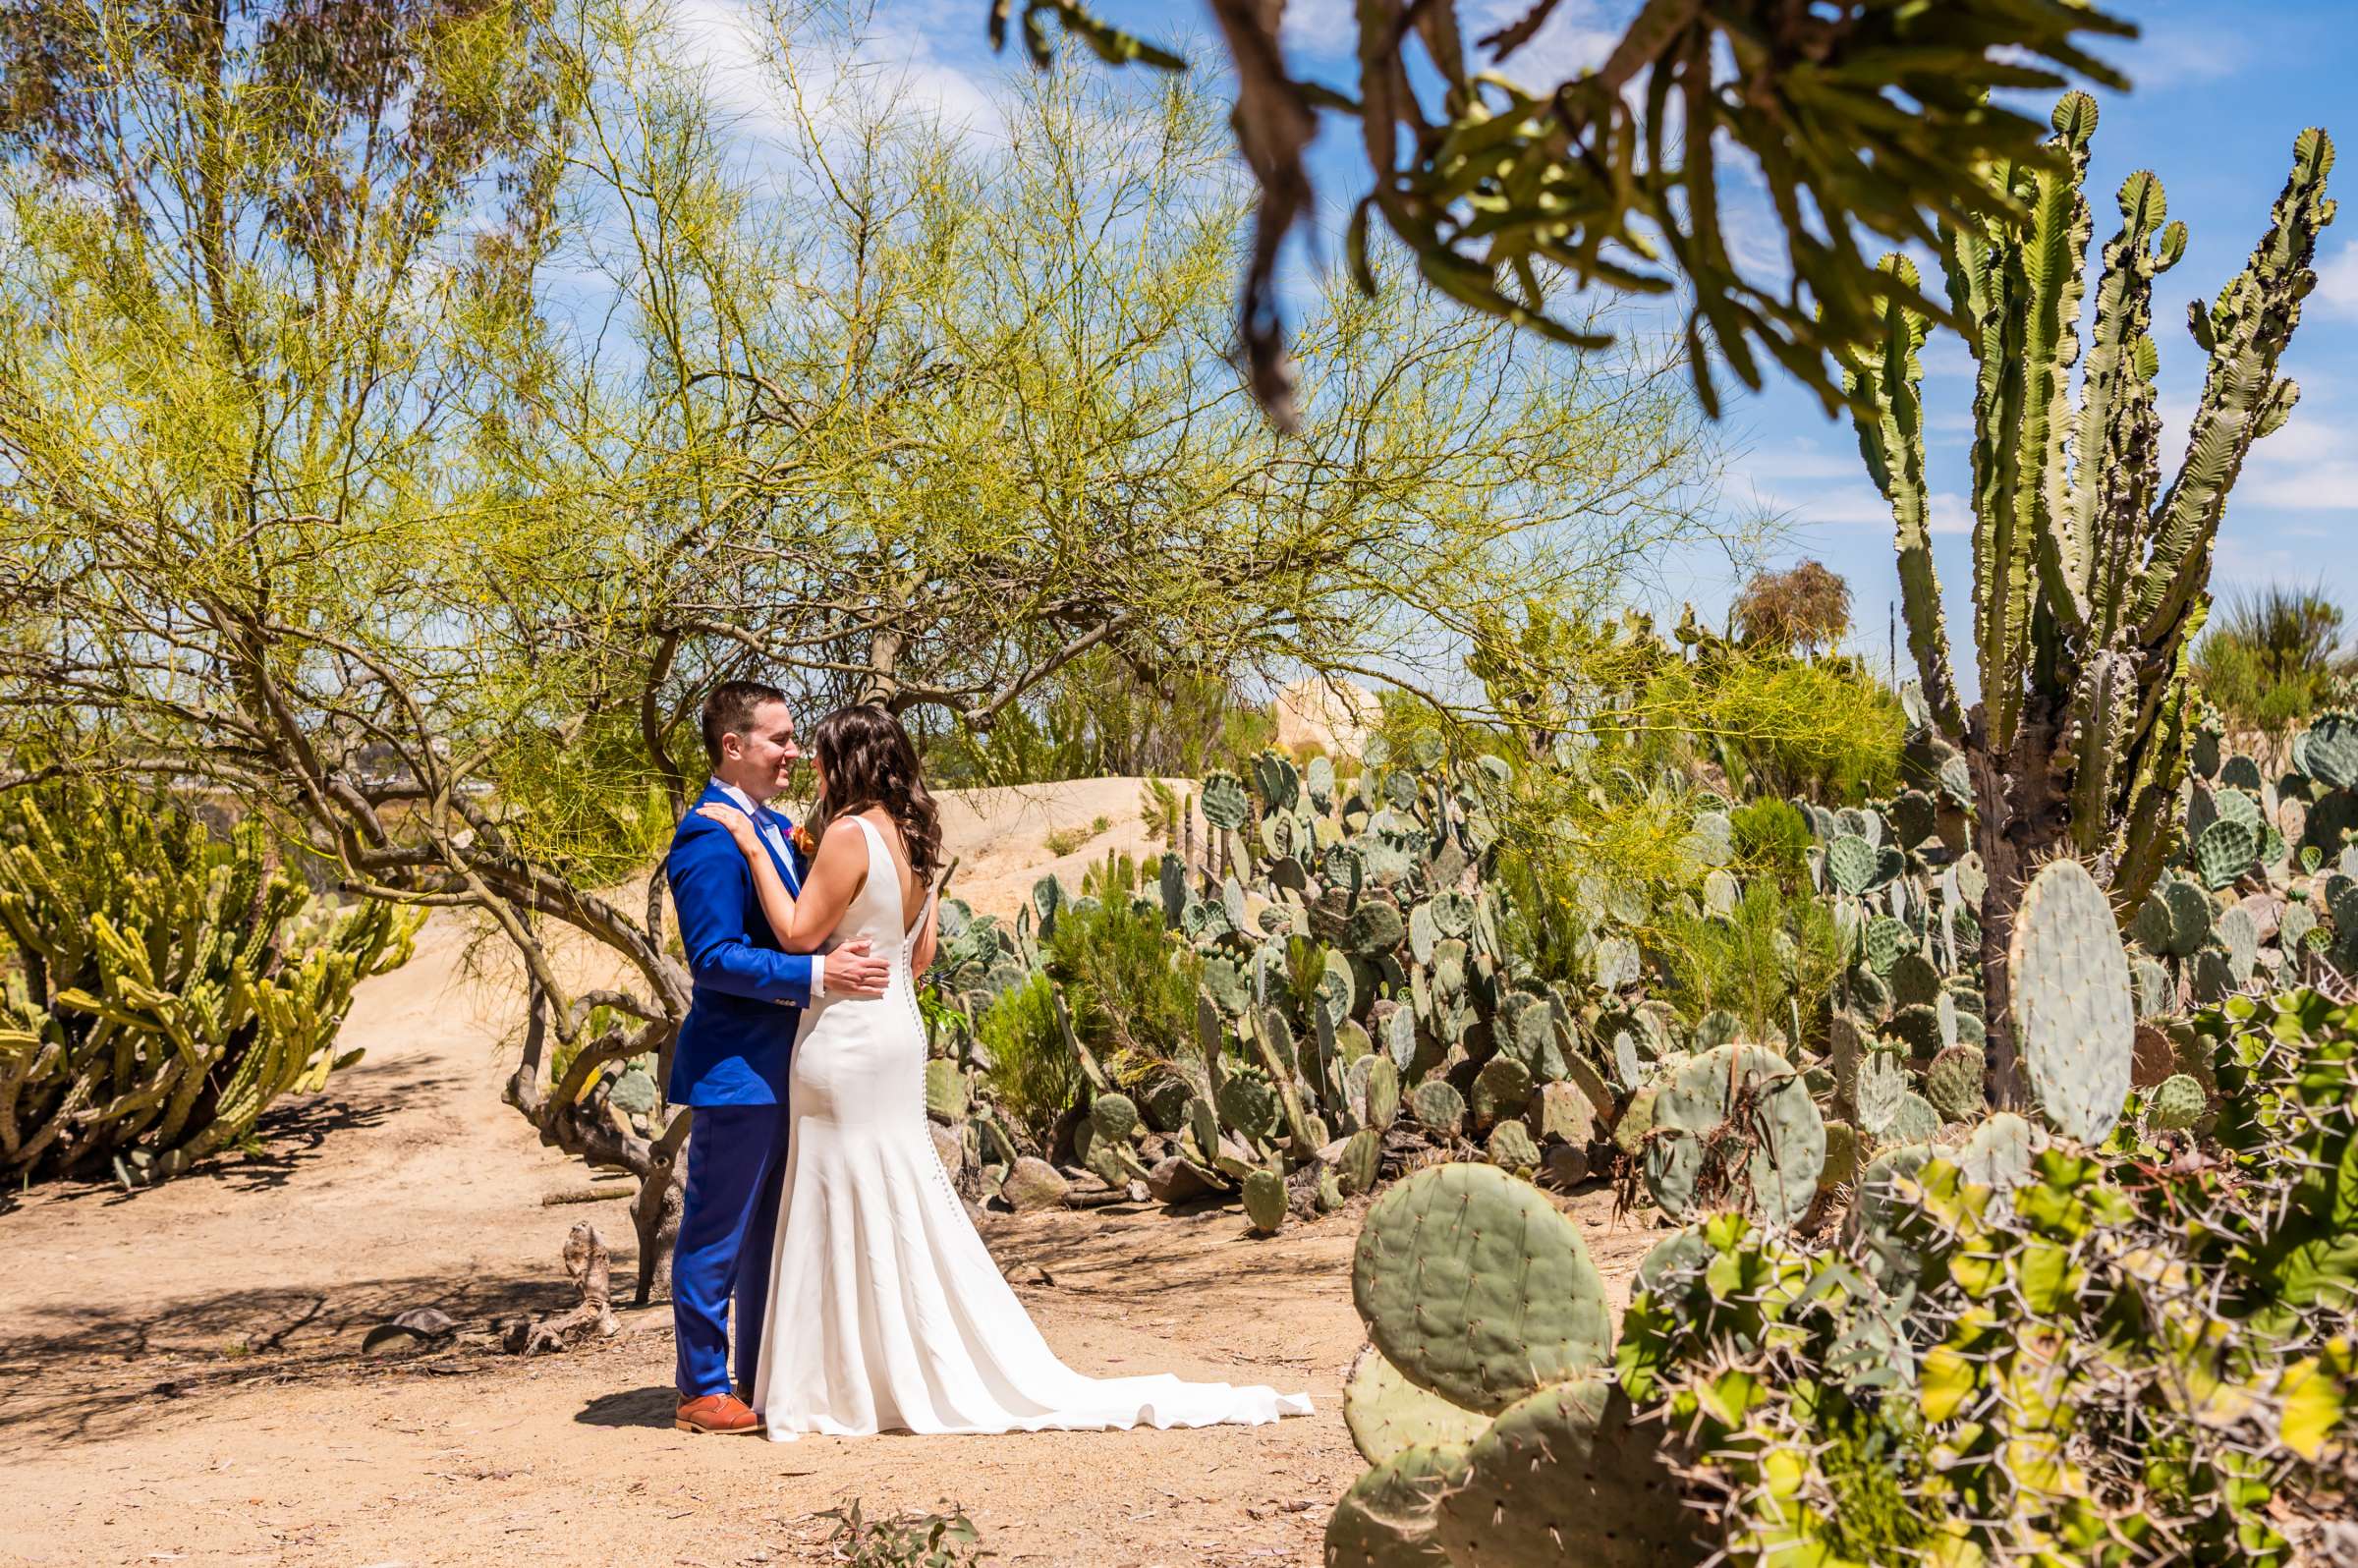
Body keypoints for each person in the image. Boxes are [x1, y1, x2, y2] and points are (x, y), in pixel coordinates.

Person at [697, 702, 1313, 1437]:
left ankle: (840, 1377)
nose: (813, 766)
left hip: (846, 1037)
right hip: (897, 1029)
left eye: (822, 754)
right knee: (893, 1188)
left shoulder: (849, 834)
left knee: (843, 1186)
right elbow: (918, 959)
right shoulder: (914, 838)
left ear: (849, 762)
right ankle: (886, 1361)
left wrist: (754, 847)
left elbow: (798, 934)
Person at [664, 682, 891, 1435]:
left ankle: (760, 1375)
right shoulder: (705, 836)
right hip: (739, 1068)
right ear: (733, 747)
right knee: (717, 1230)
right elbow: (716, 958)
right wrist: (818, 975)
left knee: (775, 1231)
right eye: (779, 739)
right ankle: (701, 1385)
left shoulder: (778, 829)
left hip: (793, 1063)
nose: (795, 751)